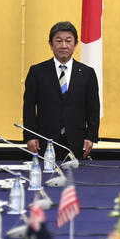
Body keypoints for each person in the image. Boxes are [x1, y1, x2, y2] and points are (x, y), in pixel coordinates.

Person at [23, 21, 99, 161]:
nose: (64, 45)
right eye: (58, 41)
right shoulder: (37, 72)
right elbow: (28, 107)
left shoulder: (87, 73)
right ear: (51, 44)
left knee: (76, 179)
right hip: (44, 140)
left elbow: (93, 108)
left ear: (75, 44)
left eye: (68, 41)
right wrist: (30, 135)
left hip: (77, 140)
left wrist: (91, 136)